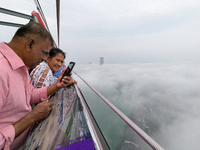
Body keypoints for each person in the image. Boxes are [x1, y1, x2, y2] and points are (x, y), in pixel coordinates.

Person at [0, 22, 74, 150]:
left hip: (26, 140)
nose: (45, 58)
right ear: (29, 44)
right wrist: (31, 118)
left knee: (76, 146)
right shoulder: (2, 71)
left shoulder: (21, 67)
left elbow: (30, 95)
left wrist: (57, 86)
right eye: (44, 53)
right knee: (76, 146)